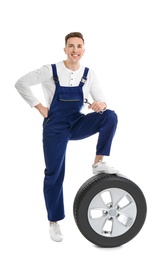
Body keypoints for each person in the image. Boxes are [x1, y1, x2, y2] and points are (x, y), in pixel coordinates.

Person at [15, 32, 119, 242]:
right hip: (55, 127)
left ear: (83, 50)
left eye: (79, 46)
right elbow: (21, 83)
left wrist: (101, 104)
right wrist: (39, 107)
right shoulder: (50, 70)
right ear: (65, 49)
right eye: (71, 46)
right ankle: (54, 222)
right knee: (54, 173)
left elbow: (101, 98)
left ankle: (98, 162)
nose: (75, 50)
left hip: (77, 122)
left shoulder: (88, 73)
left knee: (110, 116)